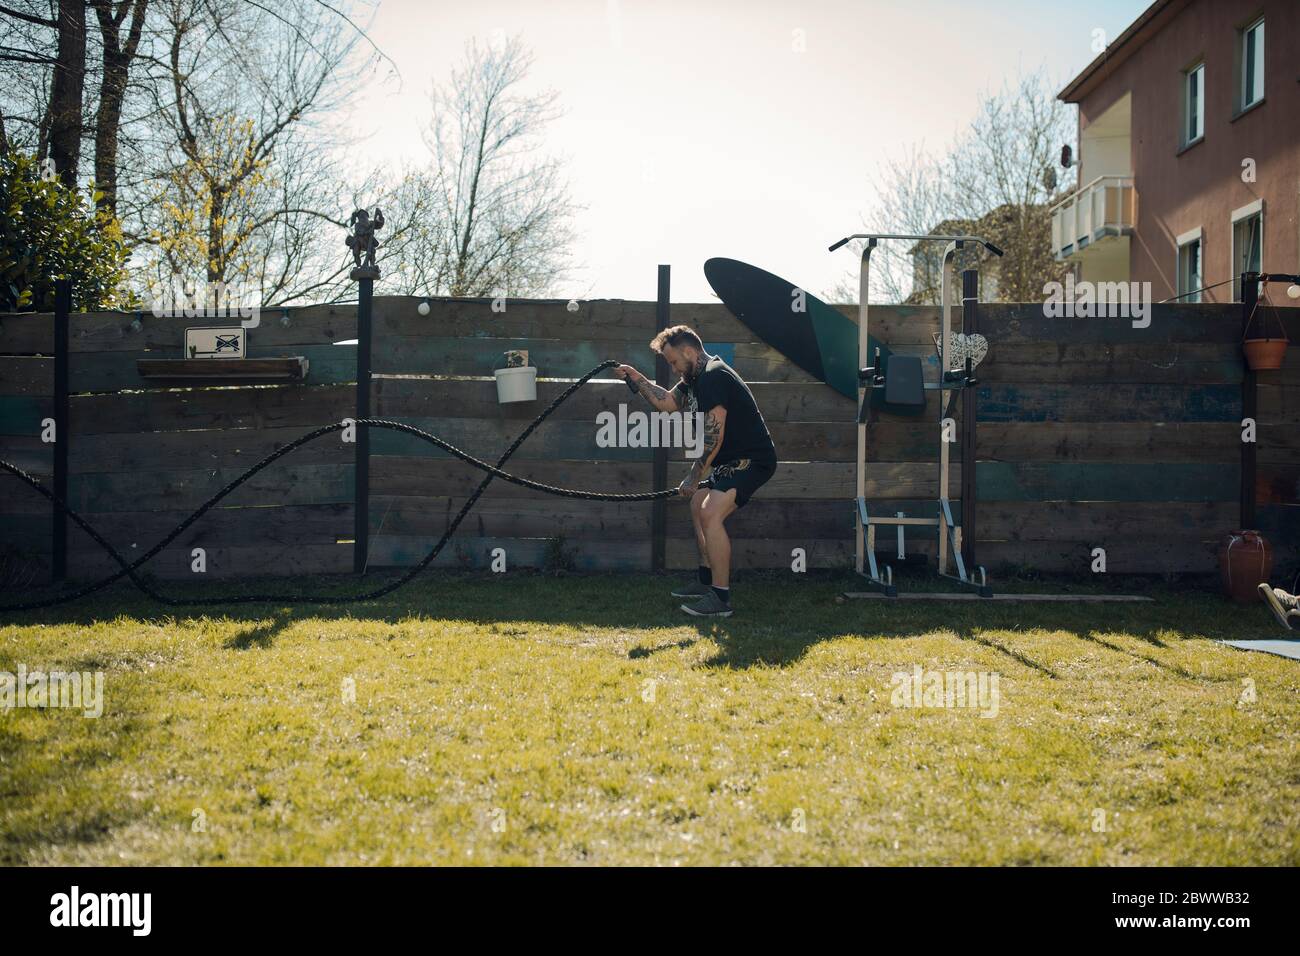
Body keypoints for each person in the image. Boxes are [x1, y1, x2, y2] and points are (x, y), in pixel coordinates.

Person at [614, 326, 777, 618]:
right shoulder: (693, 379)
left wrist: (693, 474)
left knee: (710, 512)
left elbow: (714, 436)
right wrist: (637, 379)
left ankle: (720, 598)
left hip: (753, 460)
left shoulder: (714, 376)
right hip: (729, 461)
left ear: (689, 352)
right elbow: (666, 403)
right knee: (696, 503)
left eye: (674, 361)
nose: (673, 368)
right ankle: (706, 581)